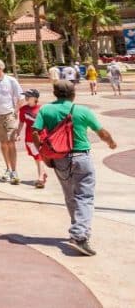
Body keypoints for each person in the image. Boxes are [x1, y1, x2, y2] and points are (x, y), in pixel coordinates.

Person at [32, 79, 118, 256]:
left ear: (55, 93)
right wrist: (110, 142)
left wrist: (43, 154)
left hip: (59, 158)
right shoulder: (82, 111)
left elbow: (35, 132)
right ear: (73, 94)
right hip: (81, 157)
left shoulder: (46, 110)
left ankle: (78, 229)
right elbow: (100, 132)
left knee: (70, 195)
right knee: (84, 196)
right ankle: (79, 236)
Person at [17, 88, 47, 188]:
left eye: (28, 96)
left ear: (34, 98)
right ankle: (43, 173)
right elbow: (21, 122)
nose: (25, 97)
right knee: (36, 157)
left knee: (39, 156)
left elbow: (47, 124)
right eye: (25, 95)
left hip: (40, 137)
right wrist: (17, 133)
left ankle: (41, 177)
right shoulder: (23, 109)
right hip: (29, 138)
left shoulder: (42, 109)